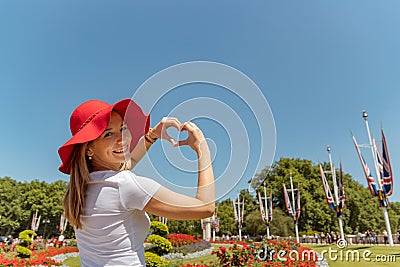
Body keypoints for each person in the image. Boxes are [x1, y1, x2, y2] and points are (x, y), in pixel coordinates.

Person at [58, 99, 215, 267]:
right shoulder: (124, 185)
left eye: (123, 128)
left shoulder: (84, 185)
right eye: (108, 134)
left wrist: (152, 135)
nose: (123, 139)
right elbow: (204, 207)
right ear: (89, 149)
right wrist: (202, 150)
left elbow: (128, 162)